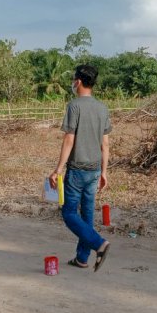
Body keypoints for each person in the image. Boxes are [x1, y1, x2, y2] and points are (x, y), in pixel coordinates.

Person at [49, 64, 112, 271]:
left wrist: (58, 169)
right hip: (94, 170)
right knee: (86, 216)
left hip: (77, 170)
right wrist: (104, 171)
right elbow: (105, 144)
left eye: (74, 78)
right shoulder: (102, 108)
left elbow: (69, 140)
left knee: (68, 214)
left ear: (78, 81)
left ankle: (98, 243)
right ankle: (82, 258)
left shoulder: (74, 106)